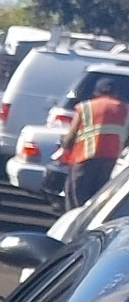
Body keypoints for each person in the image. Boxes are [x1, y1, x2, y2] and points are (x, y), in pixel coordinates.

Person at [63, 77, 127, 207]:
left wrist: (66, 145)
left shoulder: (86, 107)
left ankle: (75, 223)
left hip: (85, 158)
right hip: (110, 159)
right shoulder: (126, 110)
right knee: (98, 197)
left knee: (76, 194)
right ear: (116, 93)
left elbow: (71, 137)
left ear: (96, 93)